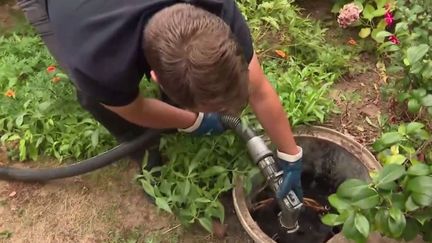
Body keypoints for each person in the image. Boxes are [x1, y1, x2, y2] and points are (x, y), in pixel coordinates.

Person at [16, 0, 303, 201]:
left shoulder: (218, 7)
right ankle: (141, 146)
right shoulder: (97, 60)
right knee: (94, 96)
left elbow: (260, 89)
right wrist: (193, 121)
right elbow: (135, 108)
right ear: (155, 77)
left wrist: (290, 155)